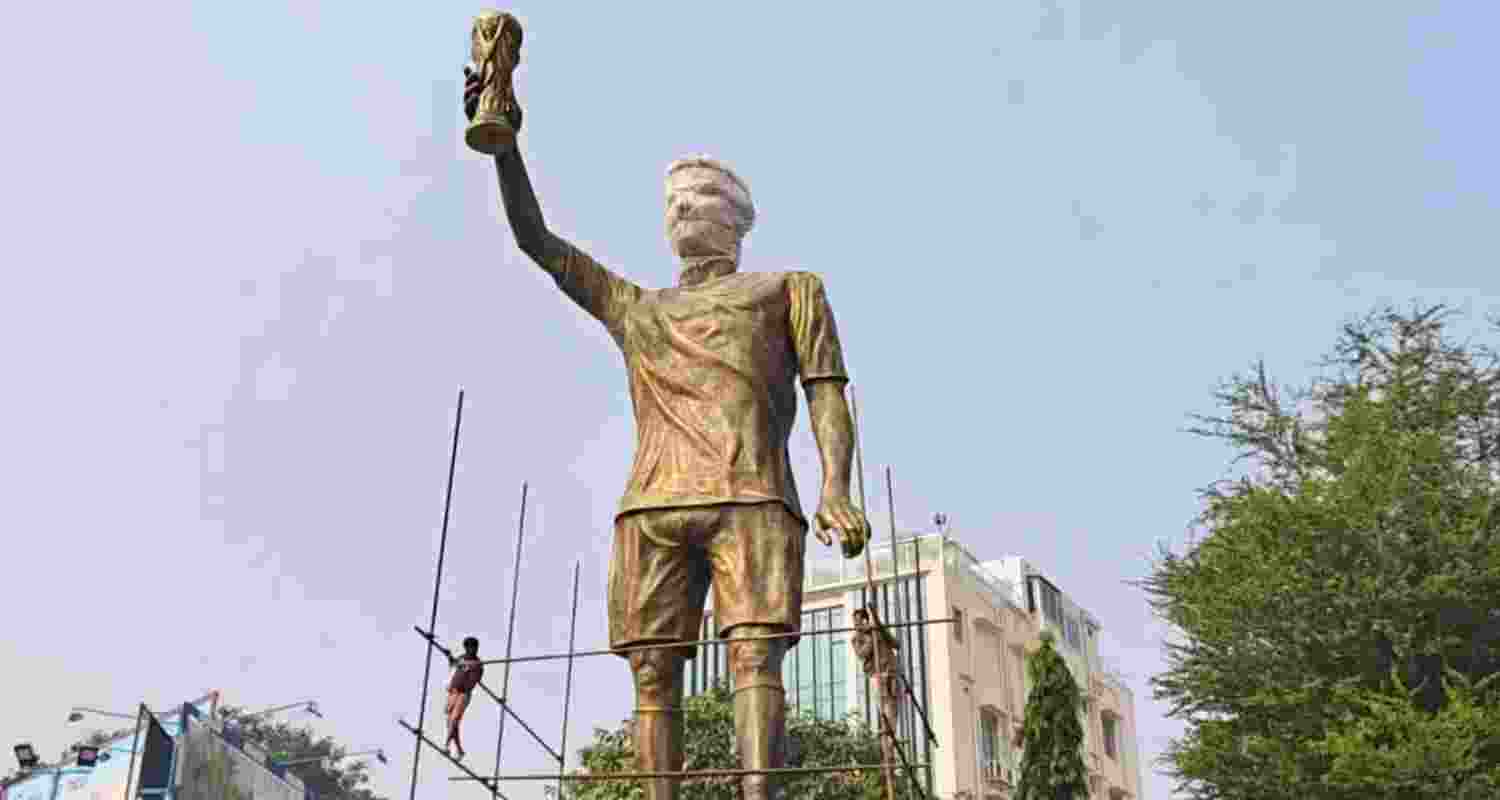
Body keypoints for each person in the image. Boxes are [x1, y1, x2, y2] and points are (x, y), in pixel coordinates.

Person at [463, 69, 871, 800]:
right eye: (675, 200)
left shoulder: (787, 290)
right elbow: (537, 241)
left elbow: (827, 392)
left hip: (751, 494)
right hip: (652, 506)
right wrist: (505, 146)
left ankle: (758, 794)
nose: (684, 208)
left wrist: (836, 487)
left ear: (735, 221)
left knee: (754, 654)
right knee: (652, 669)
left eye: (702, 198)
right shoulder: (636, 308)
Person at [852, 607, 905, 784]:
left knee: (892, 713)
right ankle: (886, 751)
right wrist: (871, 637)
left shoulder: (878, 630)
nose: (858, 625)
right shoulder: (858, 638)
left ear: (866, 620)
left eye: (860, 621)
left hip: (891, 673)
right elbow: (863, 654)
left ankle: (890, 748)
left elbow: (896, 644)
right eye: (855, 622)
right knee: (885, 711)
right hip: (877, 676)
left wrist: (879, 626)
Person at [445, 636, 484, 760]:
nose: (473, 650)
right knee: (451, 723)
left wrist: (467, 669)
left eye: (475, 648)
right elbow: (453, 664)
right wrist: (450, 657)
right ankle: (460, 750)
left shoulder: (478, 663)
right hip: (453, 691)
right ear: (466, 648)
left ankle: (446, 745)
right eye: (470, 648)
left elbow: (474, 681)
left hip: (464, 693)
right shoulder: (461, 658)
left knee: (455, 718)